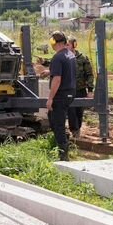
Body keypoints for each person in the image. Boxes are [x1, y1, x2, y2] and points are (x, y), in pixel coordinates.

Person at [46, 31, 76, 161]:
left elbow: (57, 79)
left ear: (54, 42)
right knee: (54, 118)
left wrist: (50, 98)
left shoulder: (58, 57)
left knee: (57, 124)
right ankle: (65, 143)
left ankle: (63, 156)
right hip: (70, 93)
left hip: (60, 94)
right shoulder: (71, 55)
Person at [66, 36, 94, 138]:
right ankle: (74, 130)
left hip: (80, 90)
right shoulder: (64, 57)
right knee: (71, 112)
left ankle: (77, 129)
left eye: (68, 44)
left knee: (79, 112)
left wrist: (90, 90)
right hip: (68, 90)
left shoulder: (82, 59)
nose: (66, 46)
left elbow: (89, 74)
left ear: (74, 45)